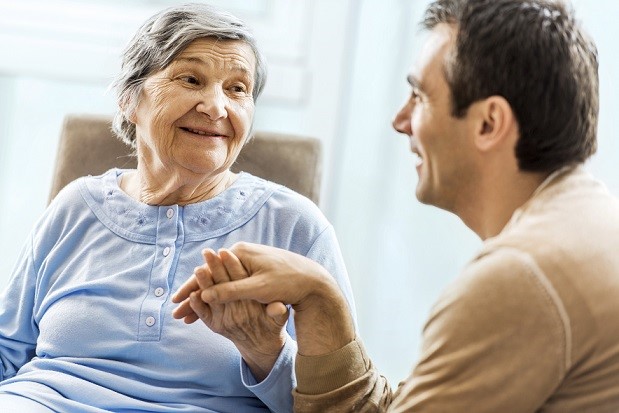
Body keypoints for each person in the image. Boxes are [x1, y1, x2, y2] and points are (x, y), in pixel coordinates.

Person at [173, 0, 619, 411]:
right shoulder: (588, 224)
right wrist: (320, 296)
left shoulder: (519, 280)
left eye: (420, 96)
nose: (400, 120)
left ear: (488, 123)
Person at [0, 3, 356, 412]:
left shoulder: (295, 227)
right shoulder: (75, 206)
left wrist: (266, 351)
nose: (217, 107)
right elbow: (7, 351)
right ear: (129, 99)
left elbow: (340, 404)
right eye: (191, 79)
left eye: (237, 89)